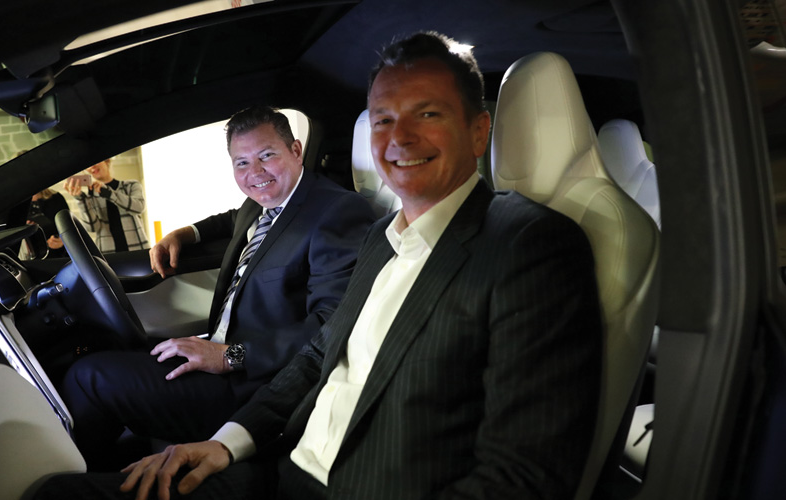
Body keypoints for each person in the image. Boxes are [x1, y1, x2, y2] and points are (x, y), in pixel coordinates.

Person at [36, 32, 602, 500]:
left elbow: (523, 479)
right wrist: (227, 442)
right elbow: (318, 355)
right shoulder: (384, 236)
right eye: (381, 120)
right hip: (278, 458)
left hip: (351, 482)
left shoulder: (530, 246)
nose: (398, 137)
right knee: (58, 494)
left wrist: (229, 357)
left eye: (427, 114)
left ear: (479, 132)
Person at [59, 106, 376, 472]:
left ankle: (69, 481)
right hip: (219, 355)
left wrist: (228, 356)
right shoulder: (263, 203)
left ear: (296, 150)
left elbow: (330, 328)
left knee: (89, 377)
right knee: (107, 358)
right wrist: (185, 233)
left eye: (266, 156)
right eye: (241, 163)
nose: (254, 173)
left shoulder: (337, 212)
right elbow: (229, 220)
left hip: (254, 386)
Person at [64, 158, 149, 253]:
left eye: (96, 161)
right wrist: (80, 199)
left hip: (138, 249)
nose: (92, 167)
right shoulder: (91, 196)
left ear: (107, 161)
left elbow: (139, 207)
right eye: (88, 166)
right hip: (108, 254)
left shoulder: (131, 185)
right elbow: (92, 228)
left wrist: (109, 194)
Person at [29, 188, 70, 258]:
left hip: (55, 256)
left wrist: (62, 240)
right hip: (25, 258)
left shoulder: (56, 198)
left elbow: (69, 229)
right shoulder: (13, 201)